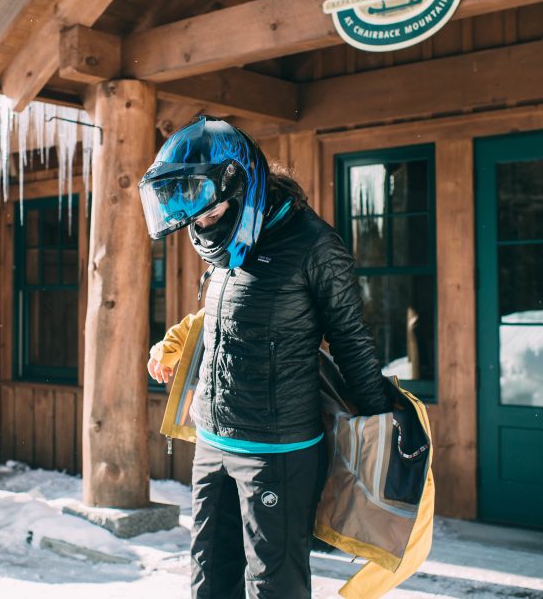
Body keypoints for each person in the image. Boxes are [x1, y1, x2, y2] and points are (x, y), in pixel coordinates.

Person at [139, 116, 392, 599]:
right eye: (193, 218)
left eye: (208, 214)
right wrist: (178, 341)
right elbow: (227, 318)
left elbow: (351, 341)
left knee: (273, 584)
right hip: (212, 439)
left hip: (275, 450)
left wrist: (382, 430)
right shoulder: (227, 243)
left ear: (241, 184)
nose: (200, 224)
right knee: (209, 576)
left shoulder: (315, 246)